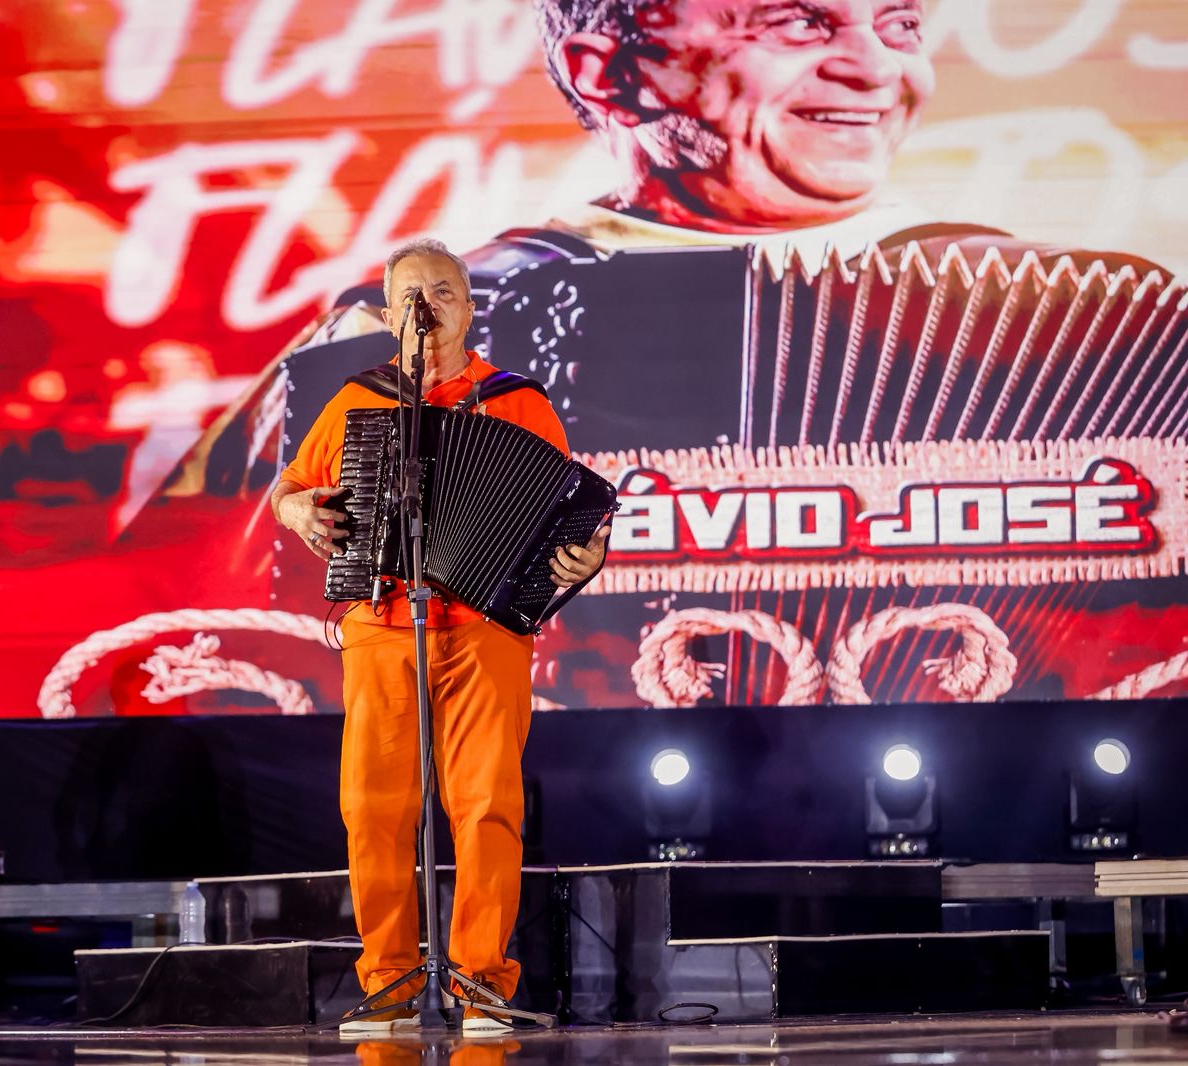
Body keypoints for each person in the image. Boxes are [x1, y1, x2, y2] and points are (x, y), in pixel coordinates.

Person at [270, 239, 610, 1036]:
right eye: (413, 294)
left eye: (446, 291)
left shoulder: (517, 399)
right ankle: (389, 980)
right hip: (381, 621)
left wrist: (586, 551)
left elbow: (570, 515)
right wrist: (296, 510)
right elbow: (289, 487)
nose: (430, 305)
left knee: (487, 803)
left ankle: (480, 980)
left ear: (469, 304)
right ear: (390, 314)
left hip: (485, 625)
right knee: (373, 807)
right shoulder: (360, 397)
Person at [532, 0, 938, 257]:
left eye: (901, 26)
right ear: (611, 76)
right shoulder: (492, 313)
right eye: (797, 23)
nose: (878, 69)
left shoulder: (989, 286)